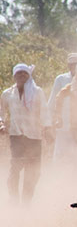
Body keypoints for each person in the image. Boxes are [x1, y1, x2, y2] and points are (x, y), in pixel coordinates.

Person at [0, 64, 52, 204]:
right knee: (15, 167)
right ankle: (13, 198)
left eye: (25, 73)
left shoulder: (37, 92)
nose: (22, 76)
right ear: (14, 76)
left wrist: (47, 128)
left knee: (33, 170)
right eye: (19, 73)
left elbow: (44, 110)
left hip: (34, 136)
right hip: (16, 136)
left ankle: (26, 200)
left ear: (29, 76)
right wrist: (1, 123)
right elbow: (1, 111)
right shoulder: (7, 93)